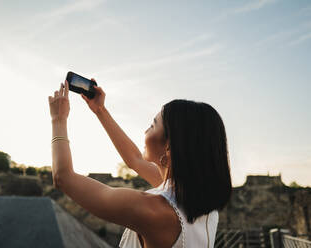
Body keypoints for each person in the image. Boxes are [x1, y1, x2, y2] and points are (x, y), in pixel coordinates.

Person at [48, 78, 232, 248]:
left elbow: (63, 177)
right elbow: (134, 159)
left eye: (153, 125)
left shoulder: (153, 211)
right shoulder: (200, 201)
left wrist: (58, 119)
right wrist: (100, 110)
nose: (145, 130)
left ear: (169, 146)